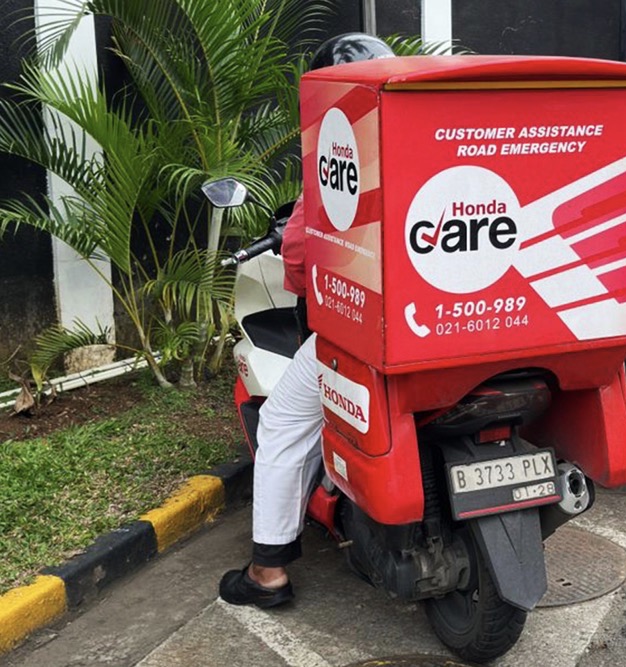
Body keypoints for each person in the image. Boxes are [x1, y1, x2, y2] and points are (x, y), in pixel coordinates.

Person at [219, 33, 395, 609]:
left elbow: (296, 254)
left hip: (366, 339)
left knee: (281, 426)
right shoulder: (438, 147)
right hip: (462, 331)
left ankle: (267, 571)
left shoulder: (337, 157)